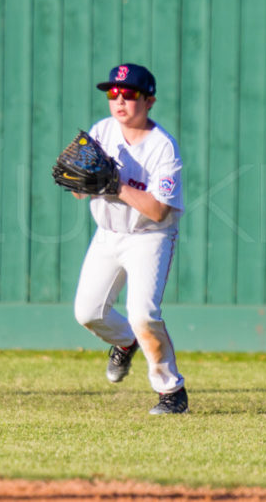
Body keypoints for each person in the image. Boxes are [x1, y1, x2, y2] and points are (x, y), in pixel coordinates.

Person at [71, 63, 187, 415]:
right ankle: (126, 343)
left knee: (143, 313)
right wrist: (84, 182)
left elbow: (158, 212)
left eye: (130, 94)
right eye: (112, 93)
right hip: (108, 234)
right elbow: (80, 192)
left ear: (149, 100)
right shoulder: (102, 130)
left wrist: (115, 186)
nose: (119, 100)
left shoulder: (163, 148)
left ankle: (172, 392)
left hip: (149, 238)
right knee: (87, 313)